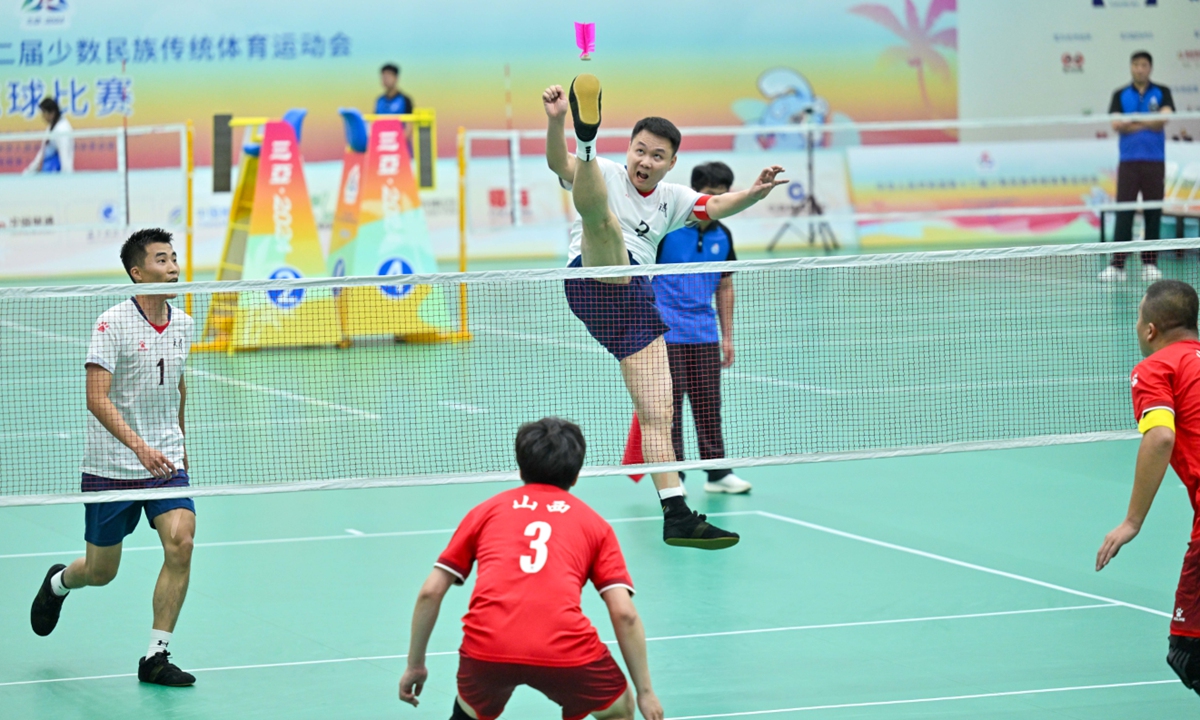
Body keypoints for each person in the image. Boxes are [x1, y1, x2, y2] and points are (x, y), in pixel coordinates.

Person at [543, 74, 785, 549]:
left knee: (657, 413)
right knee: (603, 221)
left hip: (635, 300)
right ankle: (586, 139)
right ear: (628, 149)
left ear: (671, 163)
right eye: (640, 150)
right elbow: (557, 162)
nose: (645, 161)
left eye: (657, 155)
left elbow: (715, 204)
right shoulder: (610, 174)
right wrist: (559, 125)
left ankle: (676, 514)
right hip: (593, 275)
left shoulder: (673, 199)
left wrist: (755, 194)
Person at [398, 417, 663, 720]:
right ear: (576, 475)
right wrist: (645, 693)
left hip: (487, 647)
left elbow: (430, 592)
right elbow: (624, 613)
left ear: (521, 469)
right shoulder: (595, 525)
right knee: (618, 709)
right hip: (566, 649)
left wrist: (415, 665)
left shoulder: (485, 511)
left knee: (468, 712)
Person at [29, 228, 197, 687]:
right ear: (137, 272)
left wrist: (179, 448)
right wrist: (139, 448)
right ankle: (59, 583)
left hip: (165, 465)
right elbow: (97, 398)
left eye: (174, 257)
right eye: (162, 260)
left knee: (181, 542)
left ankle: (156, 656)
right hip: (112, 467)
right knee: (101, 571)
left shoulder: (182, 323)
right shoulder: (110, 323)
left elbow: (178, 386)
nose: (174, 267)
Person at [1096, 279, 1200, 697]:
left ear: (1151, 330)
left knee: (1190, 652)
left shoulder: (1156, 368)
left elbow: (1159, 437)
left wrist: (1132, 521)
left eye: (1139, 318)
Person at [652, 161, 750, 495]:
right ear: (695, 194)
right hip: (665, 334)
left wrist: (728, 337)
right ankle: (674, 477)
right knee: (668, 407)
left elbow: (725, 287)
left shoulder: (724, 235)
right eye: (708, 196)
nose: (713, 203)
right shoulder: (668, 229)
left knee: (709, 403)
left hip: (704, 333)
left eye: (721, 197)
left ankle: (718, 473)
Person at [1099, 51, 1175, 283]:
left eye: (1143, 65)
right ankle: (1118, 265)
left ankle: (1150, 263)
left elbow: (1163, 120)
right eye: (1135, 65)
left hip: (1154, 161)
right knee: (1125, 211)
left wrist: (1132, 121)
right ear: (1131, 67)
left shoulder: (1162, 92)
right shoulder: (1119, 94)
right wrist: (1147, 122)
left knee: (1153, 211)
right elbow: (1116, 124)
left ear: (1150, 67)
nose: (1139, 69)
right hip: (1129, 162)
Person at [23, 97, 74, 174]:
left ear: (52, 113)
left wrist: (65, 180)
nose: (42, 116)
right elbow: (41, 153)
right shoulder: (51, 127)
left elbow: (65, 157)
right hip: (49, 173)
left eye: (44, 113)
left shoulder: (62, 130)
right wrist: (28, 172)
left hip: (59, 176)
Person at [376, 62, 415, 144]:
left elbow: (409, 127)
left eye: (389, 76)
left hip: (401, 149)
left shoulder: (405, 100)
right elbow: (375, 125)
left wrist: (397, 143)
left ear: (396, 78)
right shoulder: (379, 101)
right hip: (382, 146)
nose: (386, 79)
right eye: (383, 77)